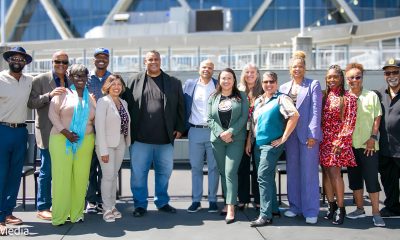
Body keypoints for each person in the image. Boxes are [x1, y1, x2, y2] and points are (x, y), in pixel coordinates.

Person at [122, 50, 185, 217]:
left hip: (165, 139)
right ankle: (140, 205)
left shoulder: (174, 82)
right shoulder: (133, 81)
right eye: (150, 59)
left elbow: (181, 107)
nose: (153, 62)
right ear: (145, 62)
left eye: (156, 59)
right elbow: (126, 106)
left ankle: (162, 202)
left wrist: (179, 128)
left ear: (160, 61)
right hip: (140, 139)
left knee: (164, 173)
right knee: (138, 174)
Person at [248, 71, 299, 227]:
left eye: (271, 81)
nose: (268, 84)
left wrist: (284, 138)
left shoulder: (281, 99)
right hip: (257, 144)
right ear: (262, 83)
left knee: (262, 177)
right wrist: (249, 142)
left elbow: (294, 115)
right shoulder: (259, 100)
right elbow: (254, 124)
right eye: (265, 82)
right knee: (267, 176)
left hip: (271, 145)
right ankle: (274, 209)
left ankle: (265, 215)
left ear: (276, 83)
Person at [48, 64, 96, 226]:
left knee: (81, 179)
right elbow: (52, 115)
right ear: (70, 77)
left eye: (83, 75)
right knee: (62, 178)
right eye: (76, 75)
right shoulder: (62, 94)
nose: (80, 78)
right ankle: (59, 217)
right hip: (62, 140)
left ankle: (76, 214)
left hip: (86, 142)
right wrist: (65, 132)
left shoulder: (91, 98)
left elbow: (96, 119)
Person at [279, 50, 322, 224]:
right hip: (290, 137)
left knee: (309, 173)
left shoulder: (313, 85)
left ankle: (310, 210)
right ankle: (295, 206)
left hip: (307, 136)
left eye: (300, 66)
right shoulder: (283, 88)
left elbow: (316, 111)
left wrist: (313, 134)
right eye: (294, 67)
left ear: (305, 68)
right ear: (290, 69)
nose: (297, 69)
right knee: (293, 172)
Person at [28, 50, 70, 221]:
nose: (61, 65)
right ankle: (43, 206)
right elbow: (31, 103)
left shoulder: (71, 79)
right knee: (47, 171)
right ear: (52, 62)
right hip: (47, 132)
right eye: (57, 62)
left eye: (64, 62)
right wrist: (49, 95)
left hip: (67, 133)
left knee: (64, 171)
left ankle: (61, 203)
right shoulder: (40, 79)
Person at [344, 62, 385, 227]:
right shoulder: (344, 98)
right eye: (351, 77)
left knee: (372, 180)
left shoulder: (371, 96)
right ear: (347, 80)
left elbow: (377, 117)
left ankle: (376, 212)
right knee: (354, 180)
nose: (355, 80)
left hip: (369, 146)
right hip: (350, 147)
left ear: (362, 78)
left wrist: (373, 137)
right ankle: (360, 209)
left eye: (358, 77)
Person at [207, 68, 249, 224]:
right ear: (219, 80)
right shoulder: (213, 97)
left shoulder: (241, 96)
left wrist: (230, 132)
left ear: (234, 80)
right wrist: (221, 133)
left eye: (229, 78)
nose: (226, 81)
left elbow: (244, 117)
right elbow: (209, 118)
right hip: (217, 140)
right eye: (223, 78)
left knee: (230, 171)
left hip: (235, 140)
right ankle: (228, 201)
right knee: (223, 172)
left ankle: (231, 206)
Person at [0, 46, 33, 235]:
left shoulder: (29, 81)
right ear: (8, 60)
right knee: (1, 175)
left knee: (14, 175)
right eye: (14, 58)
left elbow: (38, 95)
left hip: (21, 132)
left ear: (26, 63)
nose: (18, 61)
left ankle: (8, 211)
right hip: (2, 130)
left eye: (21, 59)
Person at [319, 65, 357, 225]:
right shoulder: (324, 96)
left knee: (335, 174)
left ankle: (342, 209)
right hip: (324, 141)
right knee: (326, 174)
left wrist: (340, 141)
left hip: (338, 142)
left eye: (335, 77)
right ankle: (331, 206)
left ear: (341, 78)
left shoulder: (349, 97)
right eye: (329, 77)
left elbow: (350, 121)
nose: (332, 80)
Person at [183, 59, 219, 213]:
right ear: (199, 68)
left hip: (214, 131)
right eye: (204, 67)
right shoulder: (189, 85)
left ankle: (212, 200)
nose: (207, 69)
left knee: (214, 168)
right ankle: (196, 200)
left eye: (210, 68)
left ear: (213, 70)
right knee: (196, 167)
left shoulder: (218, 84)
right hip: (195, 131)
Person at [95, 74, 130, 222]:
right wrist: (103, 150)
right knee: (108, 176)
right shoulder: (103, 102)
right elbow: (100, 127)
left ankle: (113, 205)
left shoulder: (123, 102)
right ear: (107, 87)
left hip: (120, 143)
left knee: (114, 176)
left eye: (119, 84)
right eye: (113, 84)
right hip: (106, 145)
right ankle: (106, 208)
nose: (116, 87)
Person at [86, 48, 111, 213]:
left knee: (104, 167)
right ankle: (91, 200)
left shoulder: (113, 78)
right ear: (93, 60)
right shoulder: (85, 79)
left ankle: (103, 199)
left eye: (104, 57)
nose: (101, 59)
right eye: (98, 57)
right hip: (89, 130)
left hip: (107, 132)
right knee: (89, 167)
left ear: (108, 60)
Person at [237, 63, 263, 210]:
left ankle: (259, 198)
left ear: (257, 74)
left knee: (259, 167)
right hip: (242, 132)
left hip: (258, 132)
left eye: (253, 72)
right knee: (242, 167)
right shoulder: (238, 90)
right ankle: (243, 198)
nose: (250, 74)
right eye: (247, 72)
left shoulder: (263, 90)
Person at [377, 58, 400, 218]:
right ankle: (392, 207)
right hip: (385, 149)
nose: (391, 75)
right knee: (389, 182)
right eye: (387, 72)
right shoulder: (379, 94)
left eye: (395, 72)